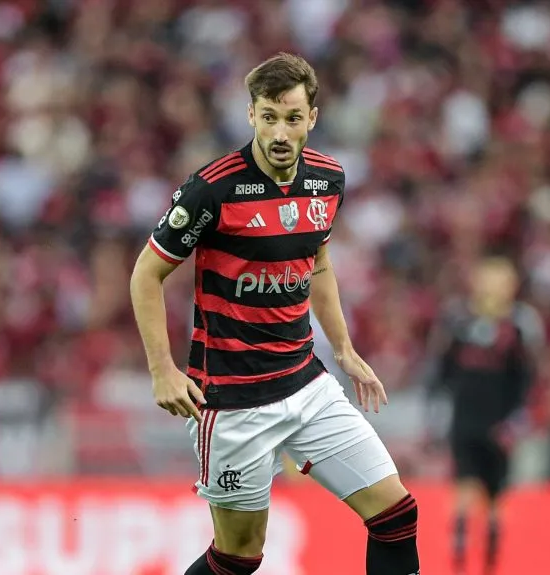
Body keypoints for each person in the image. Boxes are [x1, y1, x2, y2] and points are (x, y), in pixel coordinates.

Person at [129, 53, 419, 575]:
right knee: (239, 558)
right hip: (234, 398)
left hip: (307, 384)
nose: (280, 131)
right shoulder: (212, 189)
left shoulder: (327, 181)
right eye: (268, 117)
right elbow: (146, 274)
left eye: (291, 117)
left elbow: (319, 264)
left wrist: (346, 350)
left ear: (312, 117)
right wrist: (162, 370)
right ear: (251, 116)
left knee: (396, 514)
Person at [427, 255, 542, 574]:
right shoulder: (458, 320)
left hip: (498, 423)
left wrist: (519, 417)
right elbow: (442, 369)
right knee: (468, 486)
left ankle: (487, 555)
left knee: (490, 492)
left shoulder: (520, 324)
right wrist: (437, 410)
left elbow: (526, 376)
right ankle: (465, 552)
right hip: (468, 419)